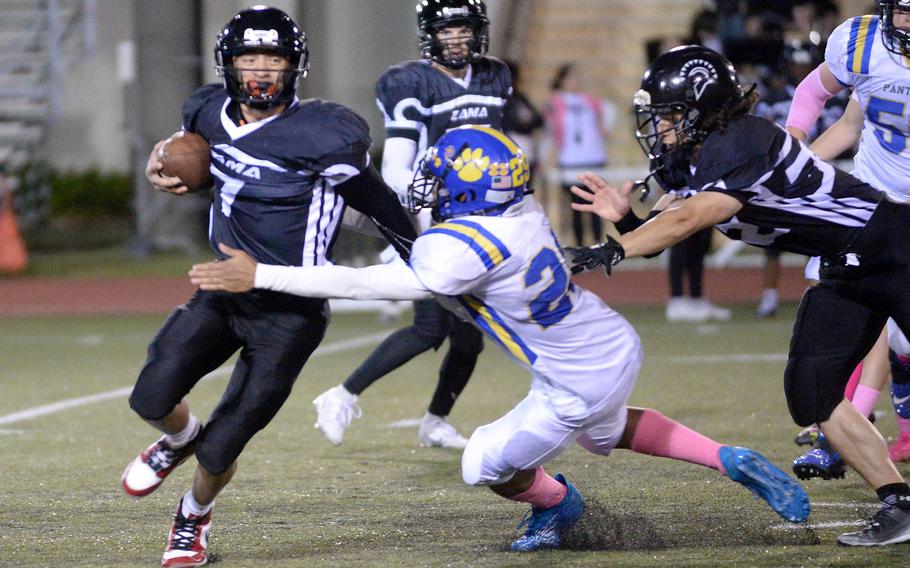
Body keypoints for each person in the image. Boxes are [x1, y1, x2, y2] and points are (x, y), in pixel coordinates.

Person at [188, 125, 810, 552]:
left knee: (480, 462)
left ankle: (556, 504)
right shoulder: (521, 215)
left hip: (572, 376)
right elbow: (414, 233)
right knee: (606, 425)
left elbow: (367, 281)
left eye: (440, 177)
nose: (431, 187)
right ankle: (725, 458)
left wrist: (262, 272)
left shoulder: (458, 250)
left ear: (466, 189)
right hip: (606, 343)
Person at [568, 44, 910, 546]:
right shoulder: (691, 158)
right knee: (812, 389)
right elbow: (667, 222)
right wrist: (624, 221)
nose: (660, 129)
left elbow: (692, 217)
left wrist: (613, 249)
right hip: (846, 268)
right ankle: (898, 504)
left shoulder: (743, 138)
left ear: (703, 109)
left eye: (671, 116)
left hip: (892, 245)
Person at [119, 7, 418, 567]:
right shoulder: (206, 108)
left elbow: (377, 203)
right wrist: (158, 166)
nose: (260, 70)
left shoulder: (326, 131)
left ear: (295, 66)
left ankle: (192, 517)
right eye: (248, 58)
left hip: (293, 311)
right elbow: (177, 152)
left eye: (273, 59)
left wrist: (426, 260)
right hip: (224, 289)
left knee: (225, 443)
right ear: (227, 65)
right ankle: (177, 439)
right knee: (150, 397)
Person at [311, 0, 512, 449]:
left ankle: (433, 422)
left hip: (475, 217)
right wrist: (430, 208)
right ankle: (341, 396)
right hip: (431, 217)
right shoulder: (410, 82)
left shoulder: (494, 75)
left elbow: (499, 144)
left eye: (464, 28)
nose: (457, 37)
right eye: (447, 29)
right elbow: (398, 167)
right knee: (430, 329)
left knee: (466, 338)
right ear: (429, 34)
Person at [783, 1, 910, 475]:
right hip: (868, 204)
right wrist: (793, 156)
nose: (907, 20)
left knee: (899, 342)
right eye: (901, 9)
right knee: (848, 310)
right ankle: (843, 426)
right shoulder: (861, 43)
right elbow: (838, 112)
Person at [545, 63, 616, 247]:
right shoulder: (556, 102)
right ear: (562, 80)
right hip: (570, 159)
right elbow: (551, 129)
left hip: (593, 157)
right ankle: (579, 246)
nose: (575, 82)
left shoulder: (591, 101)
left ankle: (598, 244)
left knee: (596, 203)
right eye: (571, 77)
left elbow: (608, 118)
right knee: (576, 206)